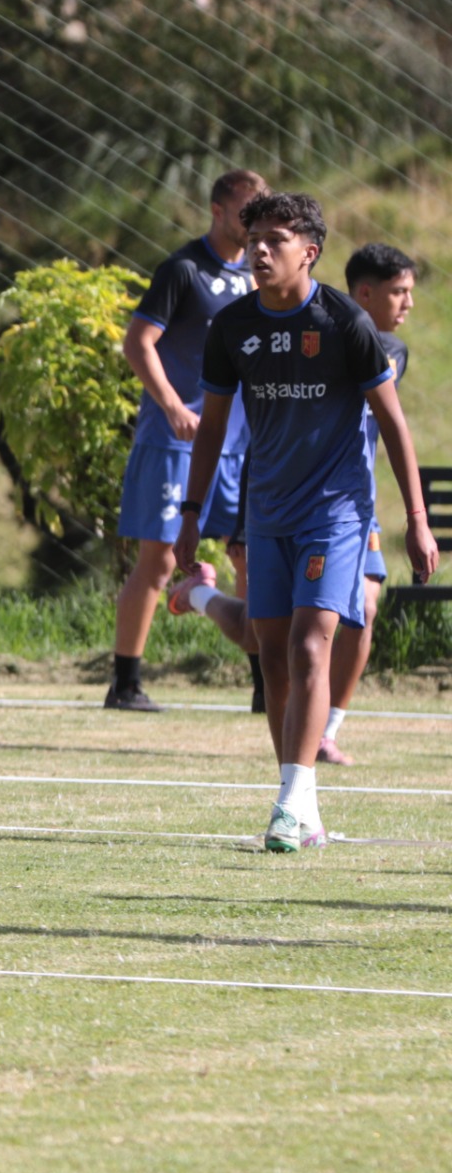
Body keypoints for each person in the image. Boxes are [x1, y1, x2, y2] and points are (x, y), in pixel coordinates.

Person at [168, 193, 436, 854]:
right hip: (268, 511)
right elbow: (212, 431)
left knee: (311, 644)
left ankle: (288, 804)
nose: (259, 248)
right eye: (253, 235)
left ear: (308, 252)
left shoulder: (345, 321)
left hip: (336, 512)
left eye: (276, 239)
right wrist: (192, 514)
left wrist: (418, 521)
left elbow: (395, 425)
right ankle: (304, 807)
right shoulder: (232, 328)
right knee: (275, 659)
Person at [109, 170, 263, 712]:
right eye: (245, 211)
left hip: (239, 444)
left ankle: (264, 686)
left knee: (249, 557)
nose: (253, 223)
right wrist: (173, 405)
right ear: (218, 210)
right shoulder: (183, 270)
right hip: (178, 440)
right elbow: (138, 343)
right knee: (157, 561)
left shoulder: (258, 278)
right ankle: (124, 684)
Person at [317, 242, 417, 764]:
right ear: (364, 292)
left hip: (357, 504)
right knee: (274, 629)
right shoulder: (318, 334)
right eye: (399, 292)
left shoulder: (390, 350)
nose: (408, 304)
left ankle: (326, 730)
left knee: (364, 610)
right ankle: (200, 597)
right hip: (302, 496)